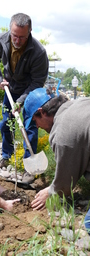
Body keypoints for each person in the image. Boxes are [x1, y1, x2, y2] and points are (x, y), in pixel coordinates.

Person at [0, 13, 49, 184]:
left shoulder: (38, 52)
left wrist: (21, 102)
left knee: (28, 127)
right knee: (5, 123)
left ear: (29, 32)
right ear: (10, 29)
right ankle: (7, 155)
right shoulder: (2, 40)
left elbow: (37, 81)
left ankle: (30, 167)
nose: (17, 40)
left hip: (31, 93)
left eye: (22, 37)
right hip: (10, 88)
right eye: (14, 35)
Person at [24, 87, 90, 234]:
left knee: (88, 224)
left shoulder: (62, 134)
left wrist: (50, 191)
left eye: (35, 121)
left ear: (42, 112)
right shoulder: (79, 103)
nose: (37, 127)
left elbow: (65, 182)